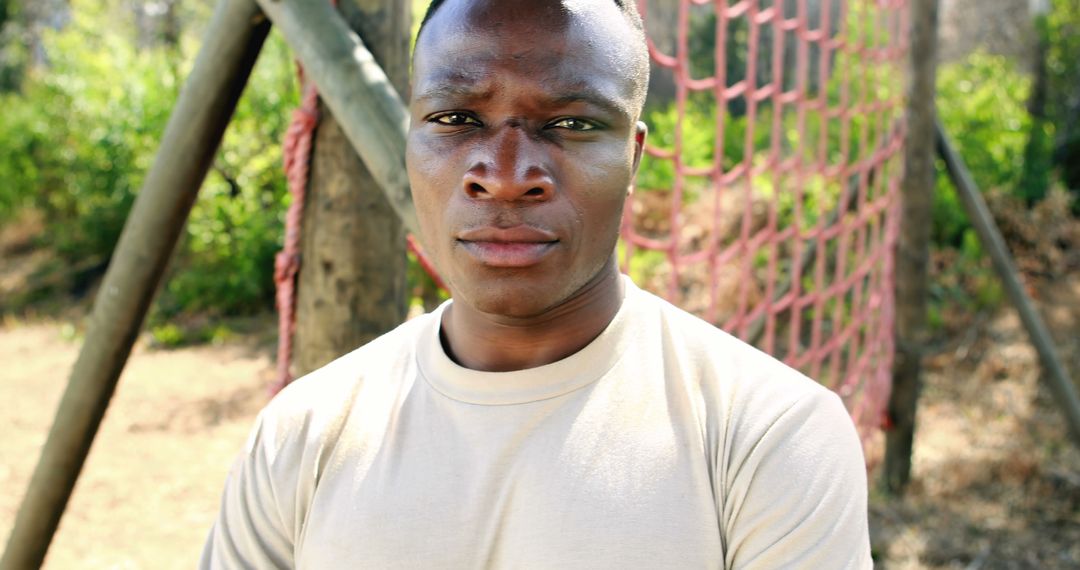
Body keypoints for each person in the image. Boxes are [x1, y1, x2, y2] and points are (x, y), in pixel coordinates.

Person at [200, 0, 873, 567]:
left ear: (634, 157)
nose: (506, 172)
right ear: (411, 137)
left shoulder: (768, 435)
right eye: (456, 119)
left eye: (572, 125)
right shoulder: (304, 430)